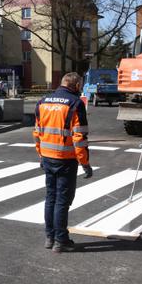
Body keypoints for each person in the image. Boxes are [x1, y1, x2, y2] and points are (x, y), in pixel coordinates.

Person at [33, 72, 93, 253]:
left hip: (47, 156)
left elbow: (37, 132)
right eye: (80, 85)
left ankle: (49, 237)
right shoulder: (75, 103)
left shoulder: (43, 102)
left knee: (50, 198)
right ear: (75, 85)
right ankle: (61, 240)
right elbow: (79, 138)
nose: (80, 89)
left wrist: (41, 155)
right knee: (62, 200)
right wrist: (85, 163)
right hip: (66, 159)